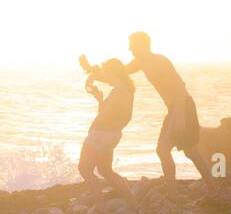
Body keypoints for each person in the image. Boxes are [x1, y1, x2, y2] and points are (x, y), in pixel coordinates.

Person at [84, 32, 217, 200]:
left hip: (182, 106)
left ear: (142, 45)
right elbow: (117, 74)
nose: (129, 48)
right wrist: (92, 71)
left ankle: (174, 195)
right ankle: (211, 191)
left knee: (166, 150)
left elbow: (180, 89)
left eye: (132, 45)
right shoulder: (140, 62)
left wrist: (180, 117)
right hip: (175, 108)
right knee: (190, 151)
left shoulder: (160, 61)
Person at [78, 58, 138, 209]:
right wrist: (100, 99)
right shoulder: (124, 90)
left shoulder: (120, 92)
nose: (105, 76)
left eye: (106, 73)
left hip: (101, 135)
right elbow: (115, 115)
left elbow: (105, 116)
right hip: (111, 135)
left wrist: (101, 106)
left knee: (84, 168)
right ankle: (133, 202)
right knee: (105, 171)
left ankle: (100, 205)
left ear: (112, 72)